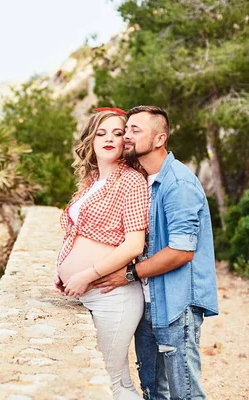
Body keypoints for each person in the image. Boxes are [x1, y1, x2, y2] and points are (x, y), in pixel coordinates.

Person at [90, 106, 219, 400]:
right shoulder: (142, 180)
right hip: (147, 303)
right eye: (127, 130)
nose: (126, 137)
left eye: (135, 130)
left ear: (159, 139)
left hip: (176, 304)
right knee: (152, 389)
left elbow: (181, 252)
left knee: (184, 392)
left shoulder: (178, 183)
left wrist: (129, 274)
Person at [54, 107, 149, 400]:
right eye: (101, 133)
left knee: (108, 383)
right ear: (91, 141)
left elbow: (134, 245)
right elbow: (78, 234)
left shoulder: (131, 181)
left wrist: (86, 275)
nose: (109, 138)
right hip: (91, 293)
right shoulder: (92, 181)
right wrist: (64, 271)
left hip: (112, 297)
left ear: (125, 142)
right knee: (118, 381)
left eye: (118, 133)